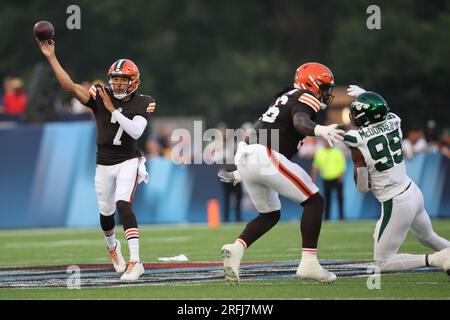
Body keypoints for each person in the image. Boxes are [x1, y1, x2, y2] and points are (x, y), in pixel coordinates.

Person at [37, 39, 156, 281]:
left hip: (128, 160)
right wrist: (51, 56)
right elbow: (70, 86)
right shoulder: (101, 94)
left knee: (124, 205)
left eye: (123, 78)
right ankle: (113, 248)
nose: (118, 83)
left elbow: (135, 132)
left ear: (133, 81)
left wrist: (112, 109)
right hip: (103, 162)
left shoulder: (143, 101)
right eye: (116, 78)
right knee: (105, 213)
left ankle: (136, 261)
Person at [218, 62, 345, 283]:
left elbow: (254, 135)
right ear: (311, 84)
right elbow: (300, 122)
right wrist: (321, 130)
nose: (326, 93)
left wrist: (241, 172)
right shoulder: (305, 96)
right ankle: (309, 263)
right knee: (314, 201)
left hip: (247, 156)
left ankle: (236, 249)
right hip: (264, 156)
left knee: (270, 214)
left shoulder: (284, 98)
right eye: (324, 87)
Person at [344, 86, 450, 274]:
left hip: (396, 200)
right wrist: (367, 95)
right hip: (411, 190)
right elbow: (382, 111)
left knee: (381, 263)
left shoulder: (356, 139)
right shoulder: (395, 120)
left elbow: (362, 188)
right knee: (428, 237)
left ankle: (436, 259)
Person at [311, 140, 346, 220]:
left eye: (328, 142)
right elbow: (315, 167)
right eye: (325, 142)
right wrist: (313, 179)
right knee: (327, 200)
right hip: (326, 179)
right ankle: (327, 218)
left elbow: (342, 166)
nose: (326, 143)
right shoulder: (320, 153)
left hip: (337, 178)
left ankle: (341, 217)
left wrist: (341, 177)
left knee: (340, 199)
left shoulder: (337, 152)